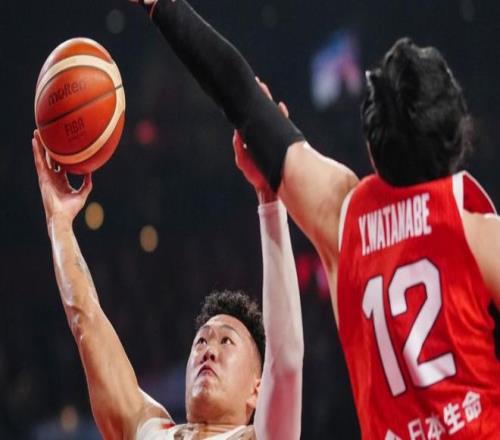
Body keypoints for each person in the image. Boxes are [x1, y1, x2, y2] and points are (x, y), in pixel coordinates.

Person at [128, 1, 500, 438]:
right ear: (457, 134)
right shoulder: (477, 232)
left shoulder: (345, 218)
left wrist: (163, 7)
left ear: (372, 148)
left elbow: (240, 94)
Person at [32, 124, 303, 439]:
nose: (208, 351)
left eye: (226, 341)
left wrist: (270, 201)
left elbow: (285, 361)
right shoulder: (149, 430)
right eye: (201, 341)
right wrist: (59, 223)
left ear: (257, 389)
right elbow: (86, 322)